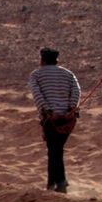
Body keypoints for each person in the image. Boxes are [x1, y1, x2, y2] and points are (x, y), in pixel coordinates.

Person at [29, 46, 81, 192]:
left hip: (50, 119)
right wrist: (71, 109)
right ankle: (52, 184)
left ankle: (61, 183)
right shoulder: (68, 74)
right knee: (55, 149)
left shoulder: (36, 75)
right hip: (68, 119)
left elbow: (37, 94)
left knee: (54, 150)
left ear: (42, 60)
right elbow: (76, 91)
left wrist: (49, 110)